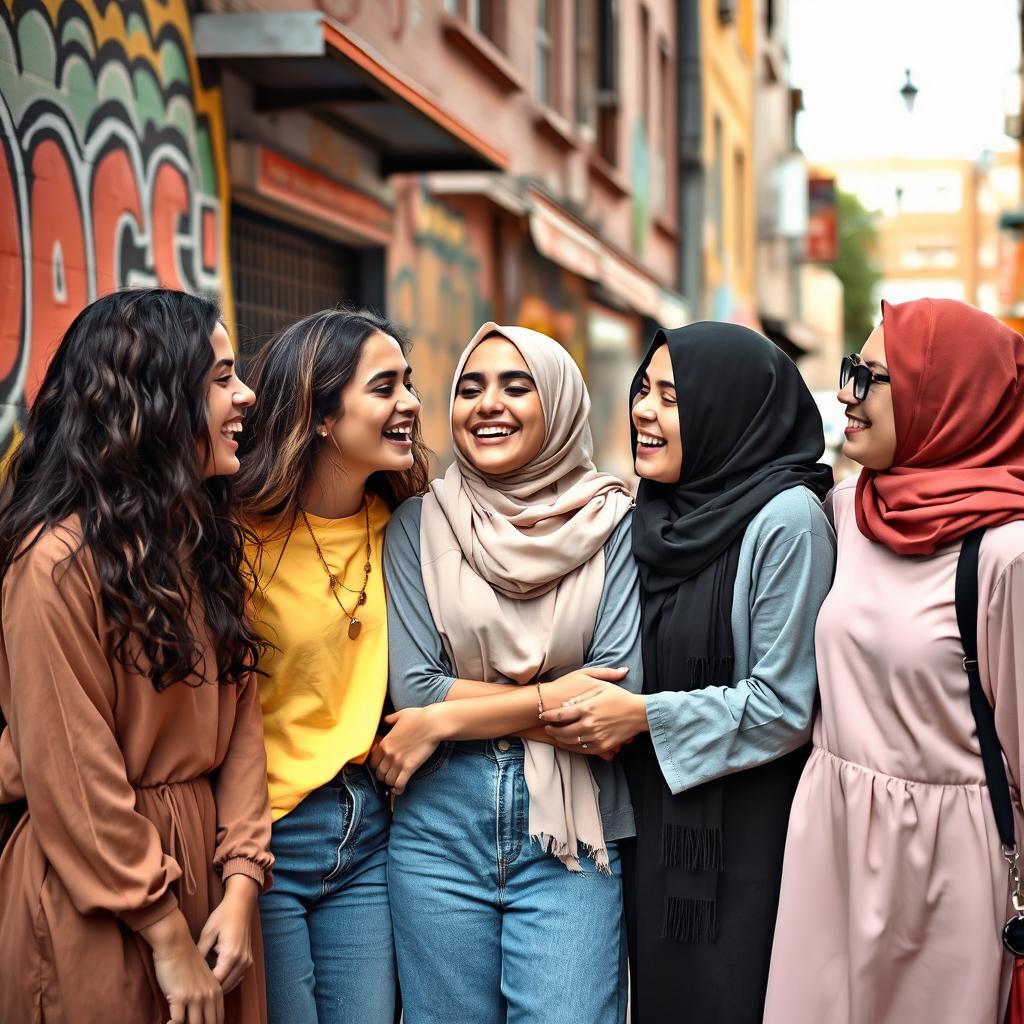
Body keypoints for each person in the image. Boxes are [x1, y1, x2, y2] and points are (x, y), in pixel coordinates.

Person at [542, 323, 835, 1022]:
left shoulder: (787, 520)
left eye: (671, 397)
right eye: (643, 389)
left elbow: (785, 704)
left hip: (747, 831)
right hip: (654, 814)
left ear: (726, 409)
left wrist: (642, 715)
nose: (643, 410)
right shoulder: (654, 514)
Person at [0, 288, 272, 1024]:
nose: (246, 395)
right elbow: (72, 768)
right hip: (101, 890)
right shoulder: (55, 563)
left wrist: (242, 884)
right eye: (221, 378)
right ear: (152, 404)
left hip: (210, 883)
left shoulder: (201, 547)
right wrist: (163, 930)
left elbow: (243, 736)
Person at [764, 299, 1024, 1024]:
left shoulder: (1006, 554)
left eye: (872, 377)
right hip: (832, 834)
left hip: (945, 865)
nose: (846, 393)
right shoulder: (848, 510)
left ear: (947, 399)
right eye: (851, 369)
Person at [372, 322, 639, 1024]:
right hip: (439, 829)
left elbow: (614, 704)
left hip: (573, 832)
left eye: (516, 386)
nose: (488, 404)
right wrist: (554, 695)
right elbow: (416, 688)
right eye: (471, 388)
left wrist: (445, 720)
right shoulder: (416, 525)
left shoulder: (615, 523)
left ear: (560, 402)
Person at [234, 309, 427, 1024]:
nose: (410, 403)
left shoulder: (411, 527)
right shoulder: (237, 539)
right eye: (384, 387)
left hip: (370, 832)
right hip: (268, 839)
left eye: (408, 383)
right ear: (319, 415)